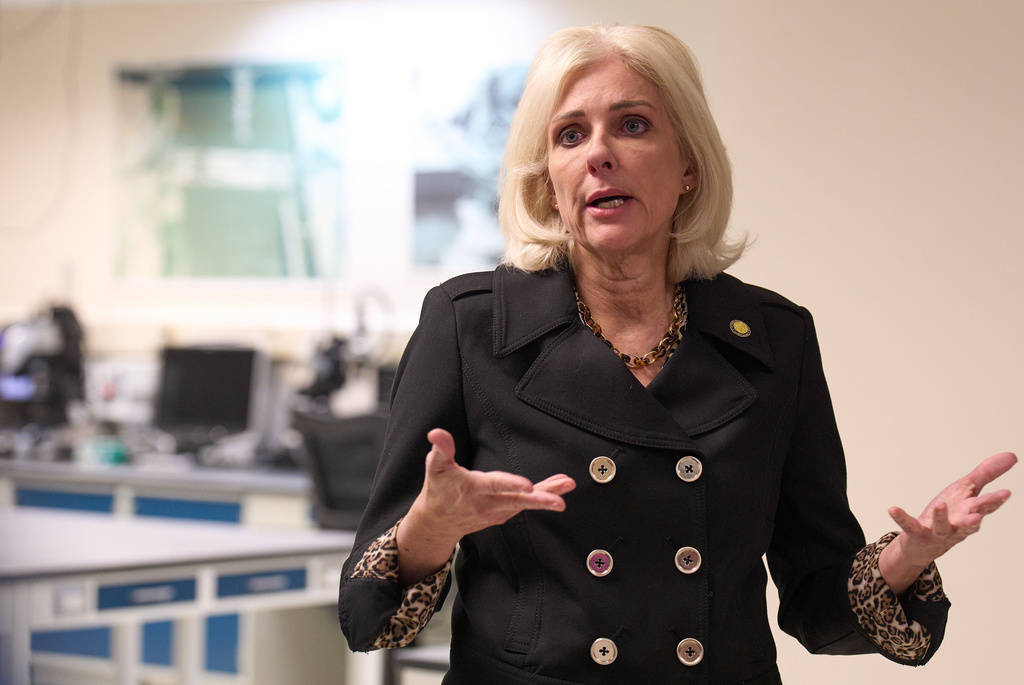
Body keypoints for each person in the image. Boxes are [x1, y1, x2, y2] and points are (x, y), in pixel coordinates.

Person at [338, 24, 1016, 684]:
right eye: (570, 135)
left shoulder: (773, 339)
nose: (599, 154)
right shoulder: (471, 326)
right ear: (548, 183)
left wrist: (908, 554)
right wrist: (428, 530)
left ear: (689, 165)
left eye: (632, 125)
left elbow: (817, 603)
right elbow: (369, 619)